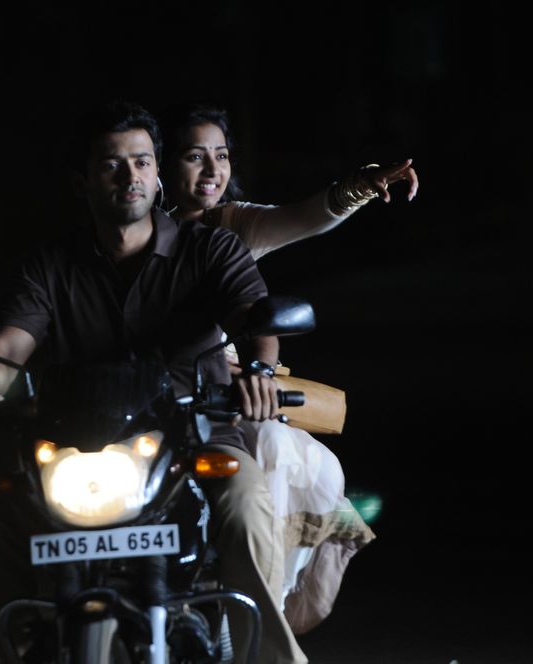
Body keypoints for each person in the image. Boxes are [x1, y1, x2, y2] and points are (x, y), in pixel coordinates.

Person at [0, 101, 306, 664]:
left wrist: (262, 372)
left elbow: (255, 318)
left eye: (142, 162)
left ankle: (271, 656)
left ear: (158, 172)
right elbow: (9, 345)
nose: (131, 177)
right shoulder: (50, 264)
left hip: (194, 441)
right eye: (112, 165)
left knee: (245, 502)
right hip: (74, 451)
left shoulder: (209, 249)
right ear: (82, 182)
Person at [158, 103, 419, 632]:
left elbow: (302, 219)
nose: (212, 170)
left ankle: (260, 614)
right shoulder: (125, 231)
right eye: (194, 156)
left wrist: (362, 186)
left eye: (221, 156)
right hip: (138, 393)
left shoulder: (228, 228)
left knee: (283, 452)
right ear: (160, 163)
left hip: (220, 397)